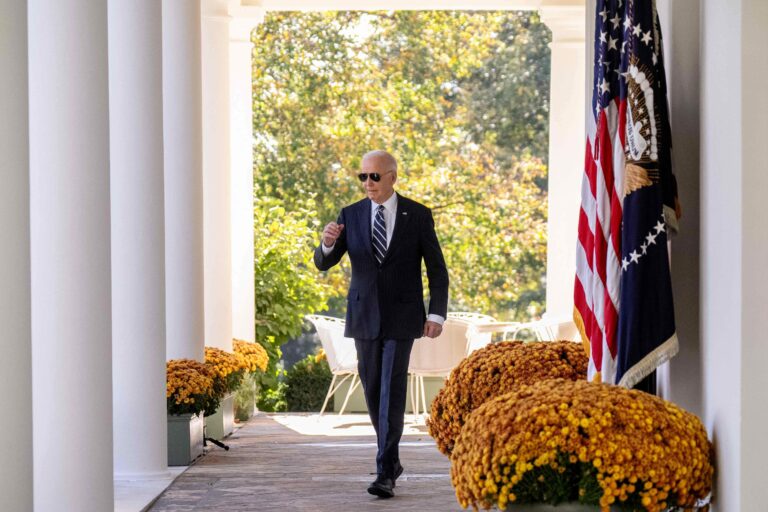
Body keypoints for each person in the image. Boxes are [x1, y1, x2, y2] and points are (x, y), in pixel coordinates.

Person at [314, 150, 449, 498]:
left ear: (392, 177)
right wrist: (327, 243)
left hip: (404, 317)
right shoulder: (351, 215)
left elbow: (436, 269)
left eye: (374, 177)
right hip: (363, 317)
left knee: (391, 390)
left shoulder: (417, 215)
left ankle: (384, 471)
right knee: (374, 391)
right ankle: (391, 460)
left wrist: (436, 313)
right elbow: (324, 263)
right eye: (363, 177)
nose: (368, 184)